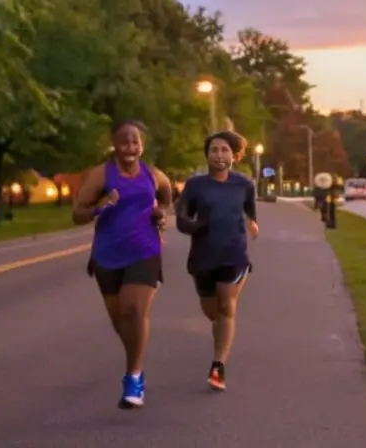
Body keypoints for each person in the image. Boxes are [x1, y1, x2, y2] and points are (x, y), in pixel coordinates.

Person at [72, 119, 172, 409]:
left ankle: (133, 376)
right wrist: (101, 207)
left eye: (135, 141)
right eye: (124, 141)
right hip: (107, 254)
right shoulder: (101, 175)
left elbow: (166, 196)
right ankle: (135, 360)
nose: (130, 147)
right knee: (121, 322)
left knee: (134, 309)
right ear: (114, 145)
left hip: (145, 249)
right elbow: (77, 214)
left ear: (142, 145)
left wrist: (160, 213)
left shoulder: (152, 175)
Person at [174, 131, 258, 392]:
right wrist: (195, 225)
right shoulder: (196, 185)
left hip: (233, 254)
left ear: (234, 156)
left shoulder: (244, 185)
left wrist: (253, 224)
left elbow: (250, 213)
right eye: (214, 150)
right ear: (207, 154)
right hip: (203, 257)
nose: (219, 155)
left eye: (224, 150)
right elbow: (181, 220)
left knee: (226, 306)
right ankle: (222, 332)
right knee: (214, 312)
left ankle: (218, 365)